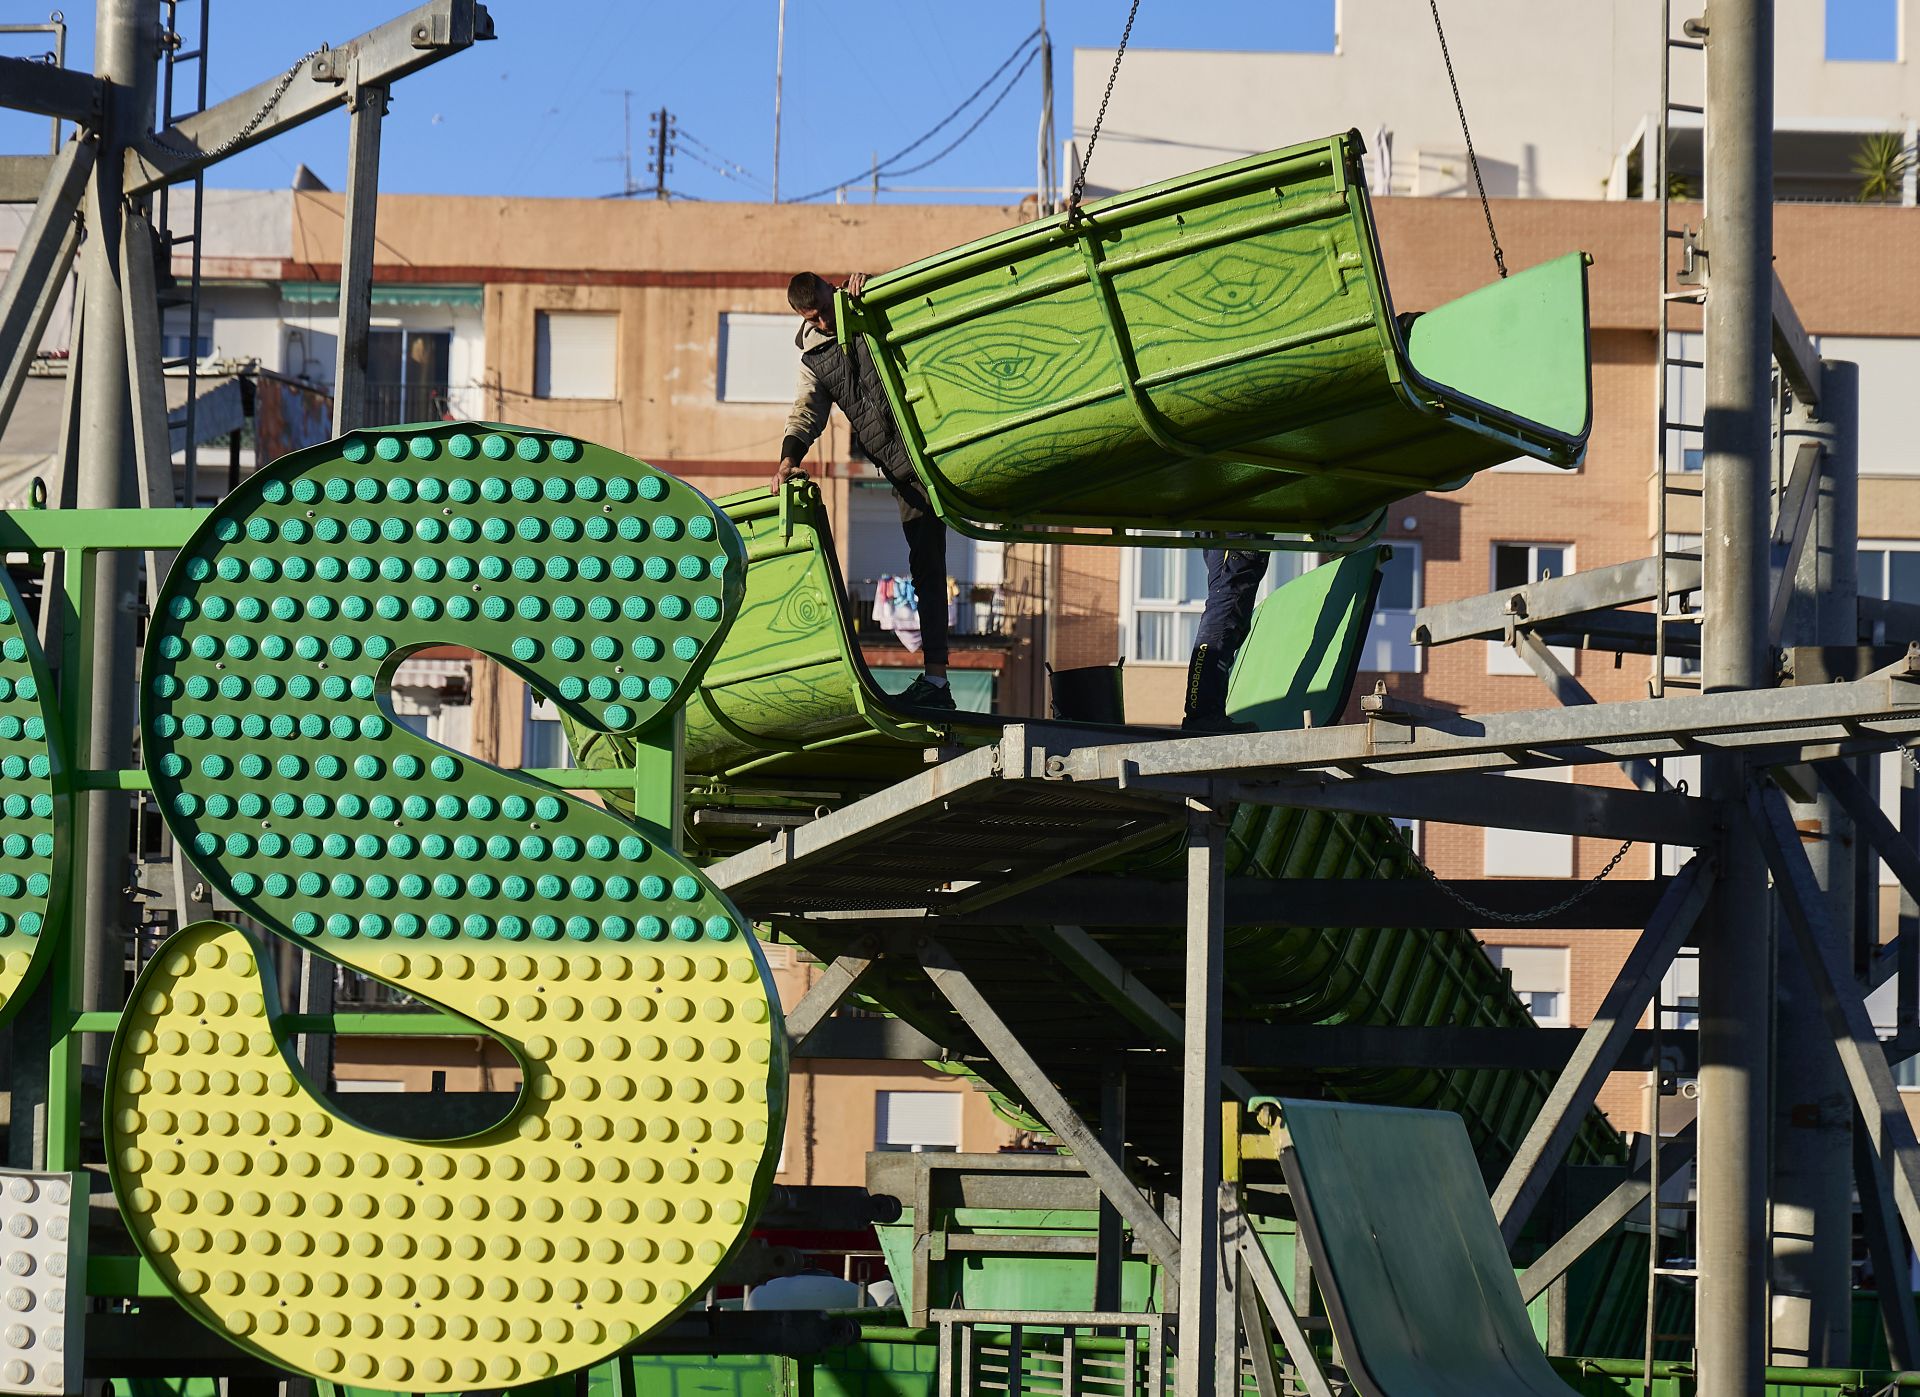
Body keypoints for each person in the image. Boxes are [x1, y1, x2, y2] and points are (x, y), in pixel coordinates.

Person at [772, 270, 955, 713]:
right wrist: (788, 460)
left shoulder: (869, 307)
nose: (824, 322)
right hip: (903, 472)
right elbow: (806, 412)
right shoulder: (815, 356)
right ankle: (937, 681)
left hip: (941, 447)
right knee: (926, 566)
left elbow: (925, 313)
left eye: (825, 311)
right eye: (813, 319)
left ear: (831, 289)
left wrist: (880, 289)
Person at [1182, 544, 1266, 731]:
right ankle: (1203, 716)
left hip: (1231, 537)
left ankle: (1207, 715)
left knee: (1229, 614)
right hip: (1240, 536)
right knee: (1225, 613)